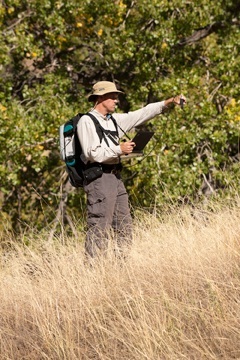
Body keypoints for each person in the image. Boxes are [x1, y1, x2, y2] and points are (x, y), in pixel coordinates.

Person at [77, 81, 186, 258]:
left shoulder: (114, 121)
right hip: (98, 179)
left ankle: (121, 270)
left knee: (124, 225)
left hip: (115, 177)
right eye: (113, 97)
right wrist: (120, 149)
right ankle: (93, 273)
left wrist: (168, 102)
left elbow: (141, 114)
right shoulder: (86, 121)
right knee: (99, 226)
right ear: (101, 97)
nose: (116, 100)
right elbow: (92, 153)